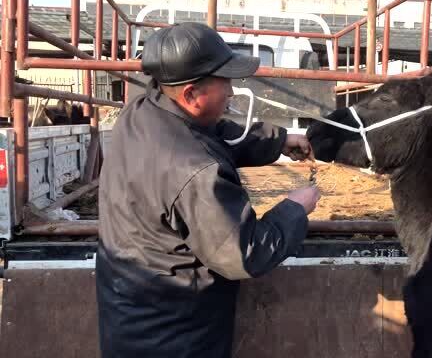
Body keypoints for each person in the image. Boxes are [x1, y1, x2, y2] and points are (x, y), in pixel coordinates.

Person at [96, 22, 321, 358]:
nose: (231, 91)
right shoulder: (194, 171)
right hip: (176, 339)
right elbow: (246, 254)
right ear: (190, 94)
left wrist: (279, 140)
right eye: (224, 82)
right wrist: (294, 207)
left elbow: (213, 133)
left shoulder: (143, 113)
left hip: (132, 318)